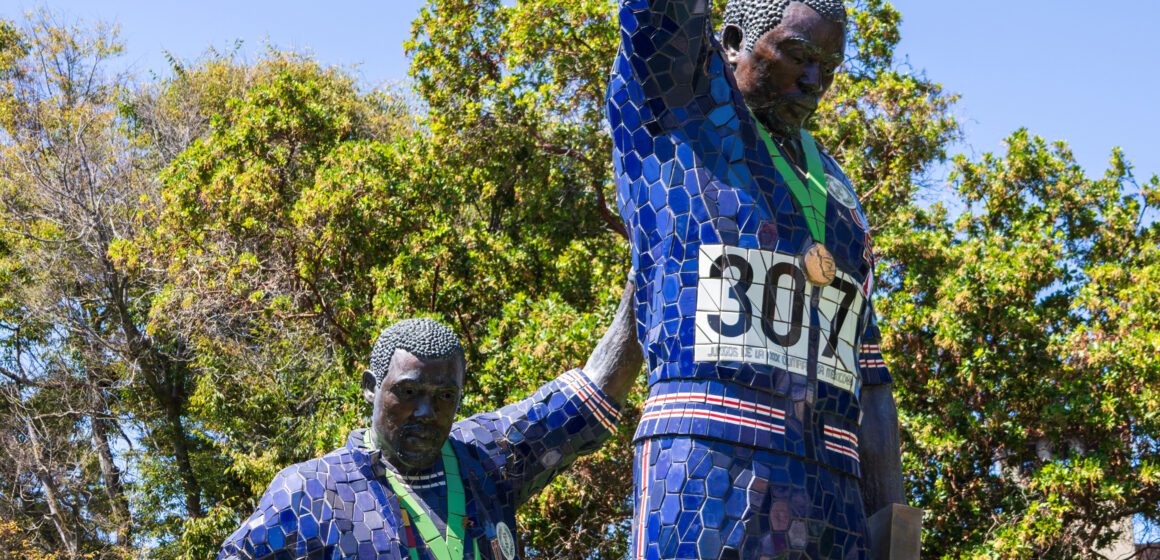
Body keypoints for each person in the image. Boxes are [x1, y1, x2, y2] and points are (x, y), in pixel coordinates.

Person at [607, 0, 906, 557]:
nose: (816, 80)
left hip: (834, 493)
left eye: (831, 67)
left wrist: (896, 531)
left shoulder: (839, 194)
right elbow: (661, 17)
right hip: (709, 463)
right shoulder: (682, 111)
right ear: (733, 40)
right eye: (798, 56)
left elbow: (871, 377)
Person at [217, 282, 642, 560]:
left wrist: (657, 261)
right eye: (408, 392)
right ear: (370, 388)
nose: (425, 412)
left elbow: (591, 393)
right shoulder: (313, 493)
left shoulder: (489, 459)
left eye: (444, 397)